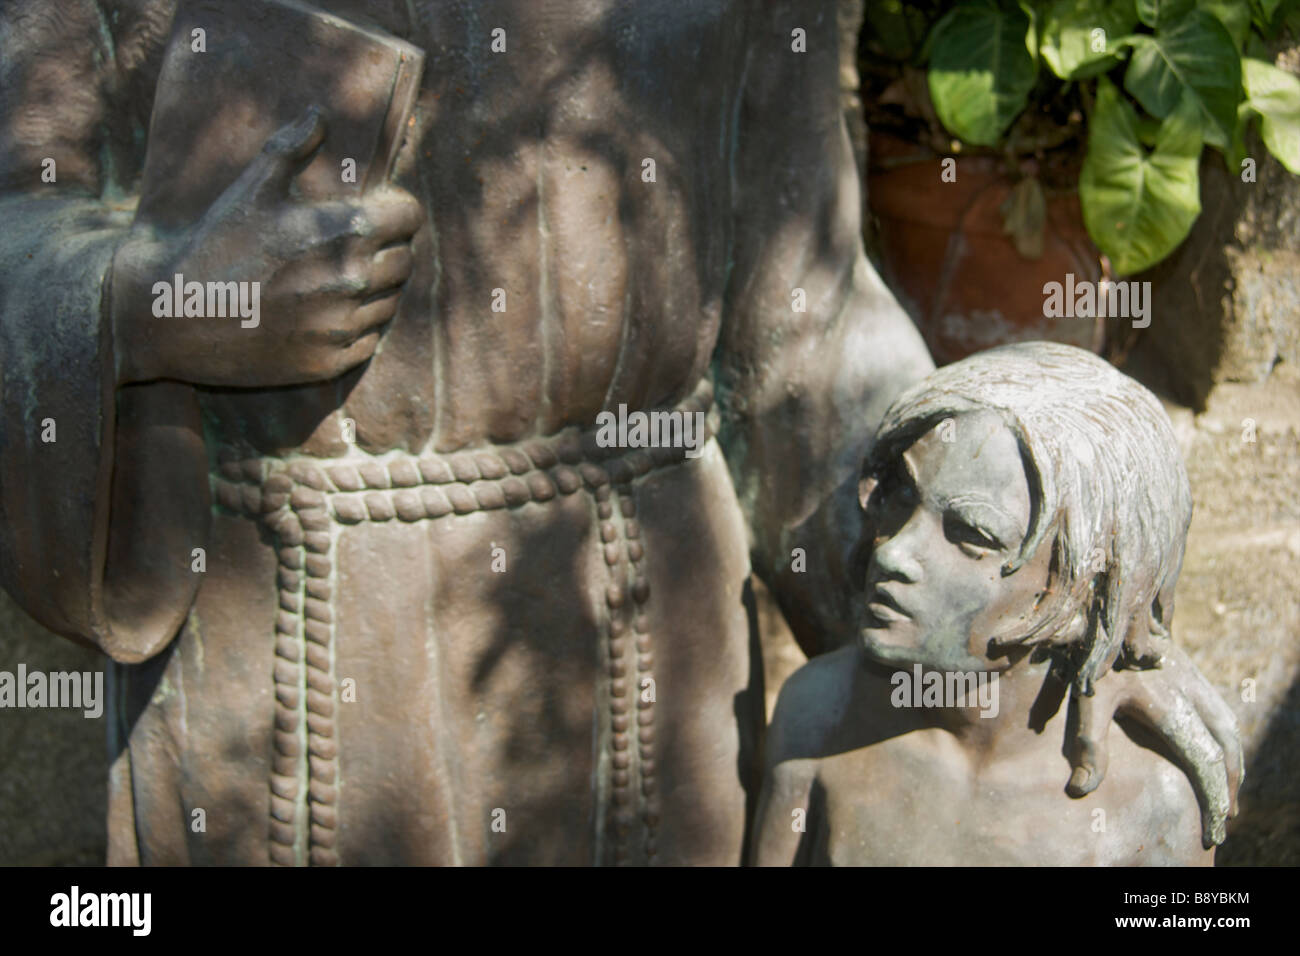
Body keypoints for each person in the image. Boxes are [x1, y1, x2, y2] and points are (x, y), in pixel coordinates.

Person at [0, 1, 1238, 864]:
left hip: (642, 645)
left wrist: (1084, 621)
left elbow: (799, 332)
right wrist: (156, 304)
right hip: (287, 641)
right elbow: (18, 224)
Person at [752, 342, 1238, 865]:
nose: (894, 552)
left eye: (972, 535)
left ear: (1083, 592)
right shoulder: (819, 718)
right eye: (904, 499)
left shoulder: (1152, 805)